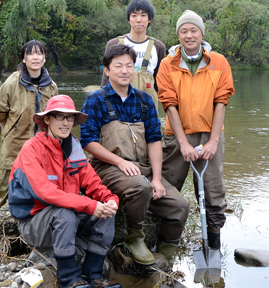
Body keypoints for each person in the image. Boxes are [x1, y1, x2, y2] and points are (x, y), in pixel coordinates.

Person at [81, 44, 189, 269]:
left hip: (142, 167)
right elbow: (88, 142)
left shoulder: (144, 100)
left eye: (129, 65)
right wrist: (120, 161)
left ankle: (166, 254)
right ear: (106, 70)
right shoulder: (96, 100)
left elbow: (154, 140)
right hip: (107, 167)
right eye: (118, 65)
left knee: (179, 205)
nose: (124, 70)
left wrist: (157, 178)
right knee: (140, 186)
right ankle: (135, 237)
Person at [8, 95, 122, 288]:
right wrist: (88, 204)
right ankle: (68, 280)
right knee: (66, 213)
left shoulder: (74, 148)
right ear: (47, 120)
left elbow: (93, 183)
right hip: (33, 223)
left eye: (69, 118)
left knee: (105, 212)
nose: (65, 122)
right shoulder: (31, 149)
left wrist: (110, 199)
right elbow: (45, 192)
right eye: (59, 117)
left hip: (65, 218)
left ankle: (93, 274)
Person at [156, 10, 235, 251]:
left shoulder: (218, 62)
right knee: (167, 186)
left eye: (193, 30)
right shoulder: (167, 64)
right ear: (178, 35)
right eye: (184, 31)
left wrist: (212, 142)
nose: (189, 35)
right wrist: (183, 144)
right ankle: (161, 241)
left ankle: (213, 246)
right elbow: (169, 104)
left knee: (213, 188)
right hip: (177, 135)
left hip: (210, 133)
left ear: (202, 33)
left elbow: (221, 101)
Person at [0, 40, 58, 211]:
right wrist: (8, 133)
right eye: (30, 53)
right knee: (8, 185)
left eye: (39, 53)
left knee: (41, 183)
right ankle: (2, 222)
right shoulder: (11, 83)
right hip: (15, 142)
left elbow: (54, 116)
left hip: (42, 144)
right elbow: (0, 113)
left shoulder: (51, 87)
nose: (35, 57)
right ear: (24, 59)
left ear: (44, 58)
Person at [101, 0, 166, 110]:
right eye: (134, 15)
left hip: (146, 108)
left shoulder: (158, 47)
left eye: (143, 15)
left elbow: (159, 82)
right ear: (128, 19)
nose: (138, 20)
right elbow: (105, 80)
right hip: (117, 106)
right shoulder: (114, 43)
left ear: (150, 19)